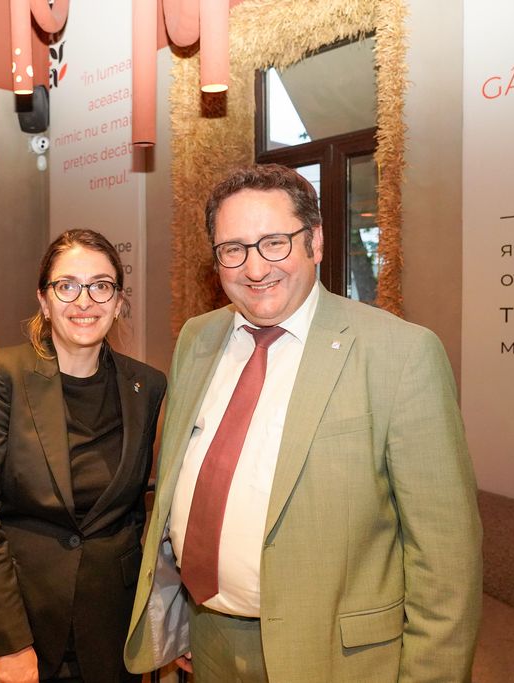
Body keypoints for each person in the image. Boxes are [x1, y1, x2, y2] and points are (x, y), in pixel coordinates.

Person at [124, 165, 482, 681]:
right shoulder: (197, 339)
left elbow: (447, 560)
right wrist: (183, 616)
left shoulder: (399, 353)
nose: (254, 268)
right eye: (233, 249)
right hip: (210, 639)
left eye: (274, 242)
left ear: (314, 241)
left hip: (334, 658)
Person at [0, 229, 166, 683]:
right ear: (44, 300)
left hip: (111, 631)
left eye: (100, 286)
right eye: (67, 286)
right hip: (19, 624)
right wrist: (11, 643)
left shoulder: (146, 386)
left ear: (118, 301)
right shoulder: (0, 374)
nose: (84, 301)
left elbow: (133, 515)